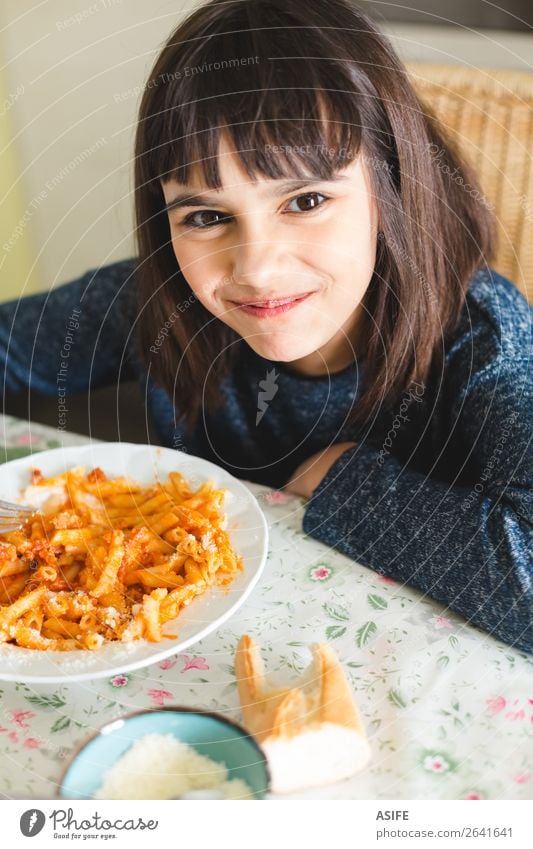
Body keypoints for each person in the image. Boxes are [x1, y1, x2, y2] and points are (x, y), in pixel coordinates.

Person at [1, 0, 531, 653]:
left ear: (391, 184)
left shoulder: (481, 335)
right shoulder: (155, 303)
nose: (255, 266)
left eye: (305, 201)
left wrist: (345, 480)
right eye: (204, 216)